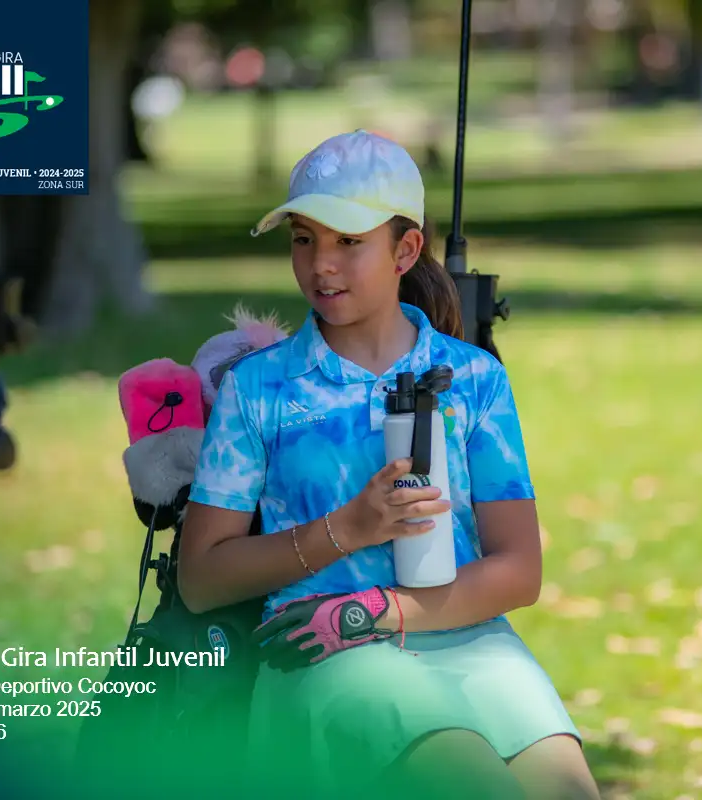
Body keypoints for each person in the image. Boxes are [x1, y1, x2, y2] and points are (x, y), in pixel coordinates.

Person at [178, 129, 600, 800]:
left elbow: (519, 570)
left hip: (467, 639)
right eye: (304, 239)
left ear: (405, 250)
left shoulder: (473, 378)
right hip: (323, 652)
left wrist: (378, 609)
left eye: (349, 241)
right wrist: (347, 529)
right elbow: (200, 578)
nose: (321, 265)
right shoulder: (258, 388)